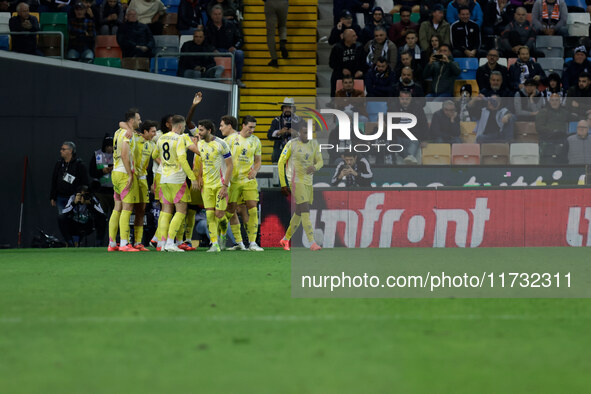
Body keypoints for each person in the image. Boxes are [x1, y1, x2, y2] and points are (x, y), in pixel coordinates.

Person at [151, 115, 199, 252]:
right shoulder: (180, 138)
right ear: (179, 126)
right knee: (181, 211)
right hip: (177, 179)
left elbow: (154, 155)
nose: (184, 129)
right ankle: (171, 243)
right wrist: (192, 177)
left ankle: (162, 243)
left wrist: (166, 163)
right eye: (183, 127)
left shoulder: (162, 137)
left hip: (164, 179)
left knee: (166, 211)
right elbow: (183, 160)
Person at [277, 128, 323, 251]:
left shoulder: (314, 144)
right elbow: (281, 162)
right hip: (295, 181)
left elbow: (320, 161)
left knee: (298, 211)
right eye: (304, 132)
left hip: (308, 182)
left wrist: (315, 167)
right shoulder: (292, 144)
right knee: (305, 209)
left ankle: (285, 239)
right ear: (299, 133)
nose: (307, 135)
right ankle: (312, 242)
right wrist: (283, 184)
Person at [225, 115, 264, 251]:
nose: (252, 130)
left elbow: (258, 160)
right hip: (233, 180)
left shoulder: (256, 141)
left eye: (254, 127)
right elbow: (221, 157)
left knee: (253, 208)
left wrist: (255, 171)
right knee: (231, 210)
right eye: (250, 127)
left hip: (248, 179)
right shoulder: (231, 139)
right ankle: (239, 243)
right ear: (243, 125)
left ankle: (253, 243)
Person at [196, 119, 233, 252]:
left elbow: (230, 165)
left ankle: (223, 233)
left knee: (219, 214)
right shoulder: (200, 144)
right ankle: (215, 244)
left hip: (219, 185)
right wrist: (200, 176)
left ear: (209, 130)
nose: (199, 133)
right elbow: (202, 161)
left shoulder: (221, 144)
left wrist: (225, 186)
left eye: (201, 130)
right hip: (207, 186)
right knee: (209, 215)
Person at [108, 109, 141, 252]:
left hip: (115, 172)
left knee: (117, 208)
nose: (140, 121)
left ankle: (112, 243)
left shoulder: (118, 132)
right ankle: (124, 243)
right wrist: (130, 174)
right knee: (127, 209)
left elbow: (121, 123)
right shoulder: (128, 134)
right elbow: (125, 155)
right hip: (123, 173)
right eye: (138, 119)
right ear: (132, 121)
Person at [128, 120, 157, 250]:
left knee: (141, 210)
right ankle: (125, 241)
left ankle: (137, 242)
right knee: (127, 209)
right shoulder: (134, 138)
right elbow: (121, 124)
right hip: (132, 178)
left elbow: (157, 159)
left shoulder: (151, 144)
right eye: (153, 131)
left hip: (143, 180)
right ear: (145, 132)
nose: (155, 134)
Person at [205, 4, 245, 88]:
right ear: (212, 15)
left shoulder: (231, 24)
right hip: (215, 50)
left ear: (222, 15)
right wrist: (213, 49)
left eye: (219, 14)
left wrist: (235, 47)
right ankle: (213, 80)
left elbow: (240, 39)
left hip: (229, 50)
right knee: (207, 55)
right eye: (215, 14)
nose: (217, 16)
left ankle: (237, 79)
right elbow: (206, 42)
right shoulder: (208, 27)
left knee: (239, 54)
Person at [50, 141, 89, 224]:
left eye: (63, 149)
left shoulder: (79, 164)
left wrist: (81, 196)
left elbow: (85, 182)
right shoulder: (59, 164)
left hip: (73, 199)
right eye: (61, 149)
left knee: (74, 221)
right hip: (60, 198)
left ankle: (74, 237)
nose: (61, 151)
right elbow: (54, 180)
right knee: (63, 221)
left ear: (70, 151)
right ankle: (67, 237)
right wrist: (53, 196)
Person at [89, 134, 114, 245]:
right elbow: (91, 172)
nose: (110, 148)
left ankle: (115, 241)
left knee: (115, 217)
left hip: (114, 191)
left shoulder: (118, 154)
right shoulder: (97, 154)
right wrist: (102, 172)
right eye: (108, 146)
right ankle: (99, 240)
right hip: (100, 191)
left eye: (112, 146)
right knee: (100, 218)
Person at [392, 90, 429, 163]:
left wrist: (424, 139)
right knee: (394, 142)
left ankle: (409, 159)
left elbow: (423, 124)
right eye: (402, 99)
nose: (404, 101)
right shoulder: (393, 108)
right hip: (398, 136)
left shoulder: (418, 108)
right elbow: (388, 123)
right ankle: (409, 157)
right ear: (399, 98)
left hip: (413, 136)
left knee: (414, 141)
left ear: (411, 99)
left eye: (407, 99)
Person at [329, 28, 367, 97]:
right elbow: (332, 63)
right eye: (353, 36)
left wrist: (361, 71)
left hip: (356, 75)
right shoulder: (337, 48)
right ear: (347, 37)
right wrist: (342, 69)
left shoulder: (359, 47)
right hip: (340, 75)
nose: (356, 37)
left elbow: (364, 62)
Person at [267, 97, 304, 163]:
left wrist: (296, 133)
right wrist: (279, 132)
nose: (287, 109)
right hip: (279, 152)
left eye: (290, 108)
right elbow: (269, 136)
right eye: (286, 107)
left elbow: (309, 135)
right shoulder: (276, 120)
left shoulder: (300, 120)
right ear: (282, 108)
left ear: (293, 109)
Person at [265, 0, 288, 67]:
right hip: (283, 3)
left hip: (270, 3)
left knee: (270, 33)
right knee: (282, 25)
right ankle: (282, 42)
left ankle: (274, 59)